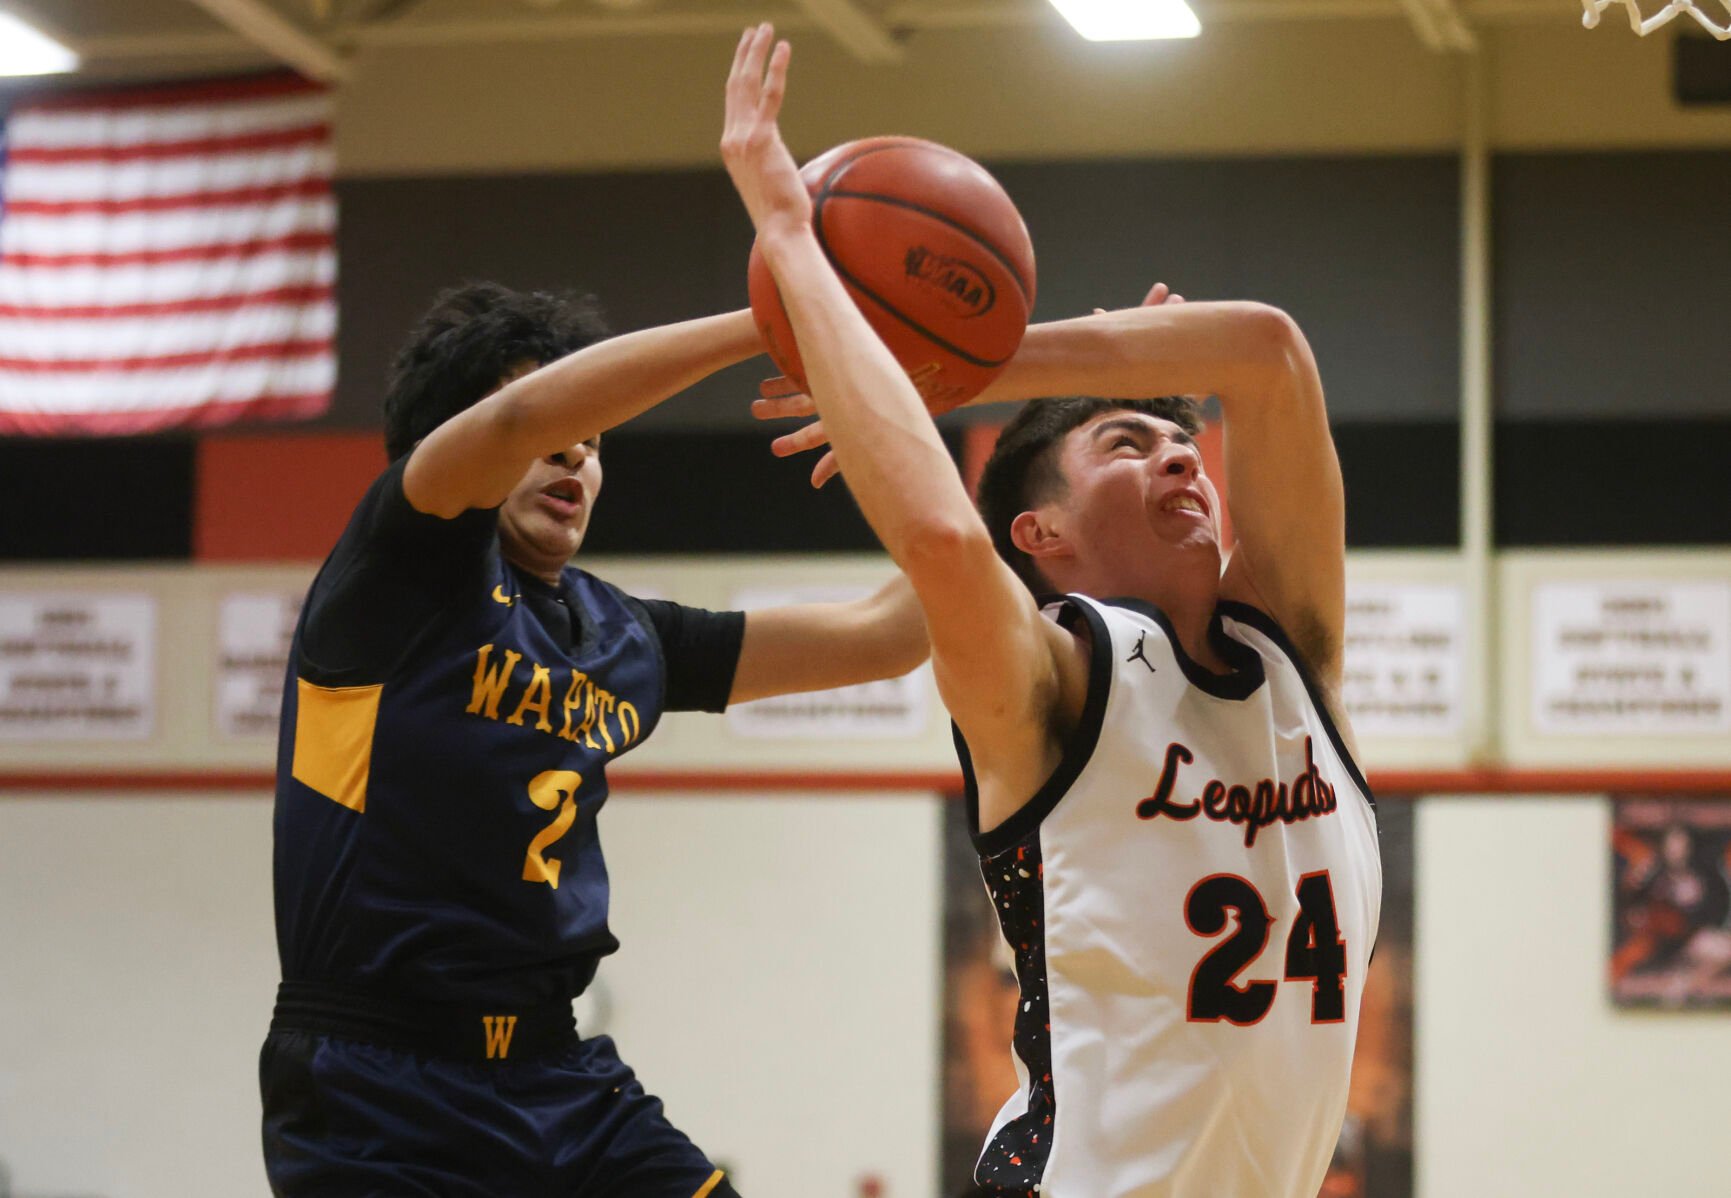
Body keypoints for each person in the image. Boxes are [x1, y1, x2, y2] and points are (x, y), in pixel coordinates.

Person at [723, 24, 1382, 1197]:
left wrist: (972, 363)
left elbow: (1272, 355)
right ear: (1042, 536)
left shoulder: (1292, 651)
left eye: (1186, 441)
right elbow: (933, 536)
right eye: (1129, 443)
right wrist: (793, 241)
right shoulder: (1055, 682)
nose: (1184, 457)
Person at [259, 282, 928, 1197]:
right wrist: (774, 322)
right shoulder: (392, 578)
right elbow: (522, 418)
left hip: (558, 1076)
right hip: (380, 1084)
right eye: (563, 424)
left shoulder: (621, 635)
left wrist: (903, 418)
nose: (576, 446)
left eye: (597, 439)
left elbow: (893, 635)